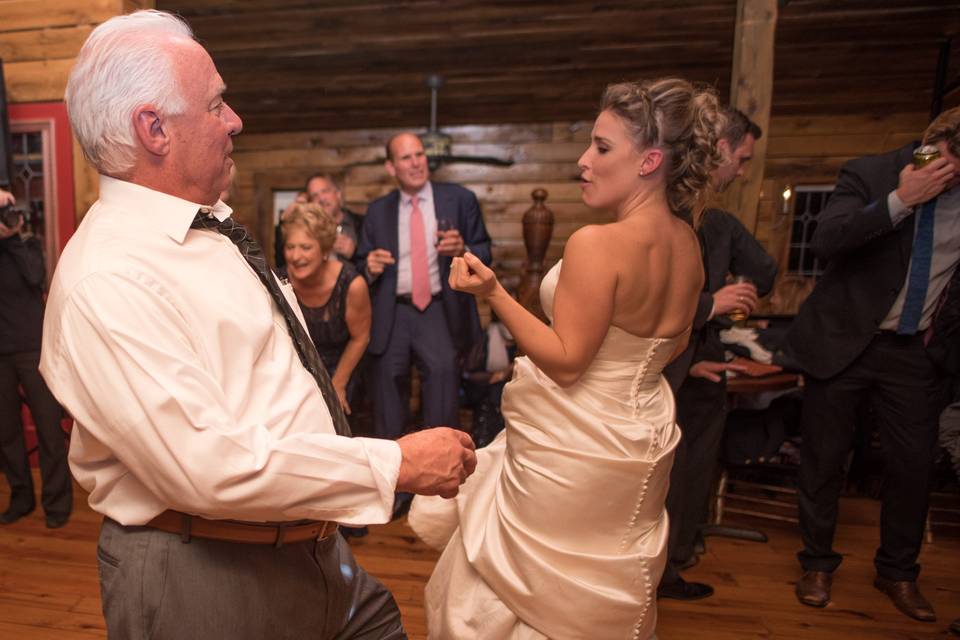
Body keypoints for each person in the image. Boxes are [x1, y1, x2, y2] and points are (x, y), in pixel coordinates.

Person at [39, 10, 476, 639]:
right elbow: (206, 465)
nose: (235, 119)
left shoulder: (203, 228)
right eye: (216, 103)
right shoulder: (108, 278)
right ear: (154, 128)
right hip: (211, 578)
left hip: (314, 553)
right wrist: (395, 464)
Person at [408, 77, 722, 639]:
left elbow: (568, 361)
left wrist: (493, 294)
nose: (584, 160)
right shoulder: (688, 243)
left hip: (573, 443)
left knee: (522, 580)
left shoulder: (597, 244)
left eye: (602, 147)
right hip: (639, 438)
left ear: (650, 161)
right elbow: (673, 344)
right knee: (598, 581)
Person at [784, 106, 960, 622]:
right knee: (822, 460)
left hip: (913, 352)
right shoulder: (870, 173)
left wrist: (940, 346)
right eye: (948, 160)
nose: (950, 175)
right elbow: (826, 242)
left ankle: (899, 573)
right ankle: (817, 564)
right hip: (844, 342)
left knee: (913, 468)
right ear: (933, 145)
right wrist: (902, 200)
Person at [658, 107, 778, 600]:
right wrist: (714, 302)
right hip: (664, 370)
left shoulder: (721, 223)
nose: (742, 172)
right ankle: (660, 568)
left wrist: (715, 312)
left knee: (689, 471)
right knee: (669, 475)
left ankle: (670, 564)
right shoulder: (666, 219)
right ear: (719, 149)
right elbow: (654, 297)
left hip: (694, 361)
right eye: (742, 159)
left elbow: (766, 274)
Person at [357, 133, 492, 440]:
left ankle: (441, 483)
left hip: (439, 311)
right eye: (406, 158)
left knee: (443, 404)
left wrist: (464, 249)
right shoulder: (378, 210)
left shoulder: (459, 199)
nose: (416, 163)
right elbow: (360, 262)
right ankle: (396, 482)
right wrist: (370, 265)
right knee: (388, 406)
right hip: (392, 315)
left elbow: (485, 251)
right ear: (391, 167)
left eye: (419, 155)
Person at [0, 188, 72, 528]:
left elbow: (35, 277)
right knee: (7, 432)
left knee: (48, 428)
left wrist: (13, 238)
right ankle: (21, 498)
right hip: (0, 354)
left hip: (33, 348)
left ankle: (57, 504)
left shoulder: (27, 245)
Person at [281, 202, 370, 417]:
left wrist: (336, 386)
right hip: (296, 375)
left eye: (305, 247)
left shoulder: (352, 284)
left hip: (343, 370)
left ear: (325, 250)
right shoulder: (278, 283)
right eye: (290, 247)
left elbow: (361, 338)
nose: (295, 256)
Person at [306, 173, 365, 264]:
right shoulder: (306, 229)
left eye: (325, 191)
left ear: (338, 194)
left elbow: (373, 270)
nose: (321, 199)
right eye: (315, 195)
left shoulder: (362, 224)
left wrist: (354, 253)